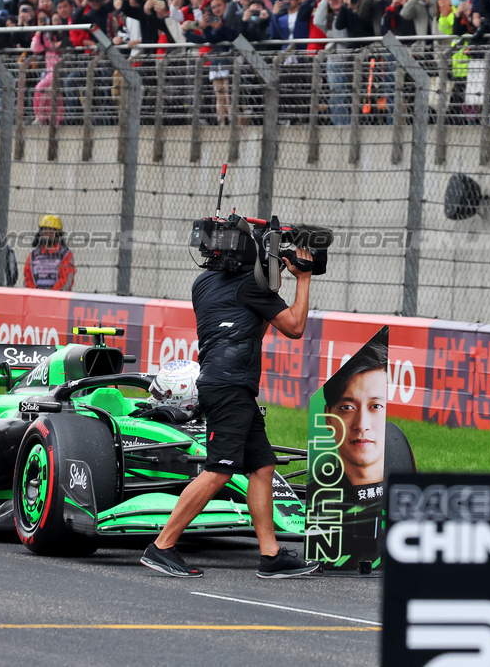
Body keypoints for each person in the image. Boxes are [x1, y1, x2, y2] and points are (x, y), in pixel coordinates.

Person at [140, 236, 319, 580]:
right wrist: (303, 278)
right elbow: (294, 327)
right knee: (219, 470)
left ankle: (270, 556)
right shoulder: (252, 286)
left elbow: (253, 320)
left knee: (263, 466)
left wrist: (271, 277)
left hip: (223, 383)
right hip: (230, 386)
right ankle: (161, 546)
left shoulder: (202, 283)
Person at [319, 334, 388, 566]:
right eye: (348, 407)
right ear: (329, 417)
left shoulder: (404, 495)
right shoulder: (320, 494)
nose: (362, 424)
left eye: (375, 406)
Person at [24, 214, 75, 291]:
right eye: (45, 229)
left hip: (58, 299)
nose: (48, 232)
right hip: (36, 298)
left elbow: (66, 279)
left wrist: (51, 295)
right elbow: (28, 278)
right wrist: (36, 295)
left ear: (58, 233)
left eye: (51, 229)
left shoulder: (65, 254)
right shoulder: (32, 255)